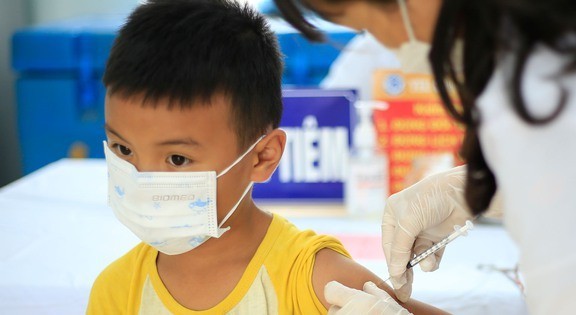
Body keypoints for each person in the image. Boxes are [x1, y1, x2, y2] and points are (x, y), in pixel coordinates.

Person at [86, 0, 447, 314]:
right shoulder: (116, 291)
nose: (142, 177)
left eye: (177, 159)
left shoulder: (311, 278)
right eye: (123, 149)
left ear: (262, 157)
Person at [274, 0, 576, 314]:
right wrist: (473, 190)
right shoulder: (548, 59)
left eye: (367, 24)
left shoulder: (543, 98)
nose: (394, 54)